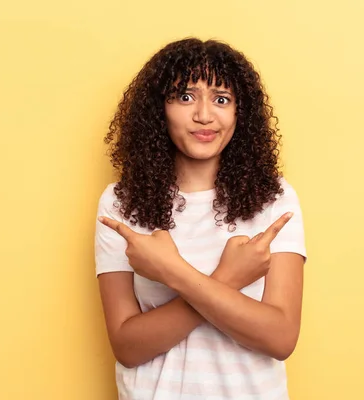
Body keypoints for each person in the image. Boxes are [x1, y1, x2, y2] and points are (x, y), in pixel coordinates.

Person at [94, 38, 307, 400]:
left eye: (221, 99)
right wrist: (229, 278)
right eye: (186, 96)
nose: (204, 115)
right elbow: (128, 347)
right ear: (159, 109)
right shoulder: (120, 203)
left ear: (242, 112)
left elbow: (280, 338)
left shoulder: (274, 198)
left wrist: (171, 271)